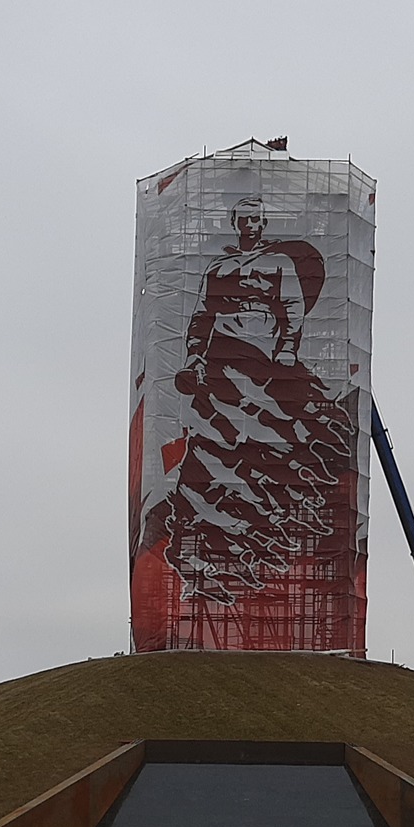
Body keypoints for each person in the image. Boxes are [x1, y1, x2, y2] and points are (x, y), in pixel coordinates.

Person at [155, 198, 354, 604]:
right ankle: (207, 530)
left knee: (279, 421)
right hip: (222, 354)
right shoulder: (217, 269)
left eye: (256, 219)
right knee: (215, 431)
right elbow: (202, 316)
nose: (250, 224)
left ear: (264, 223)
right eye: (243, 218)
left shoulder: (278, 262)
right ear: (234, 222)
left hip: (264, 352)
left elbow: (292, 308)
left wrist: (287, 348)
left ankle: (287, 488)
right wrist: (194, 357)